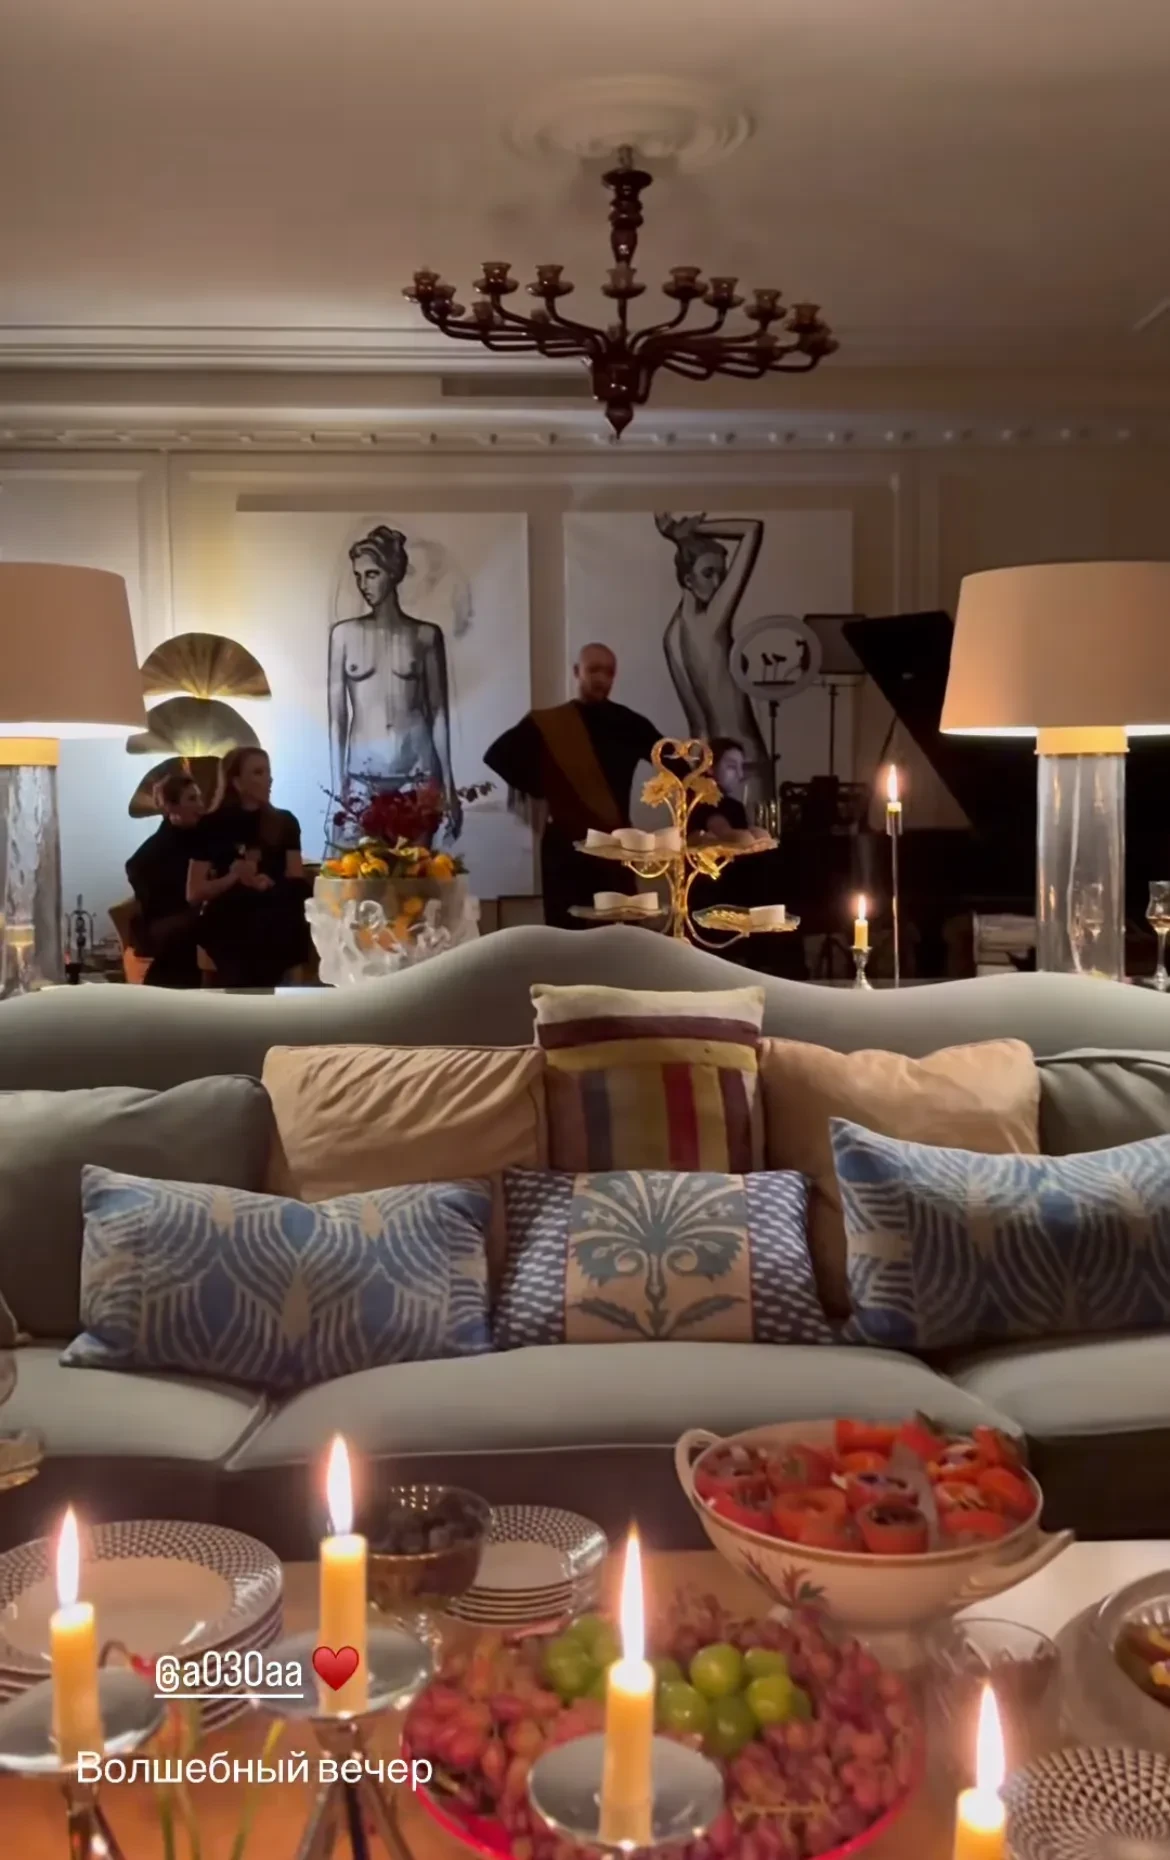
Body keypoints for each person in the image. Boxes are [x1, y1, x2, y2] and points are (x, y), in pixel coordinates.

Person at [484, 644, 666, 929]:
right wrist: (544, 789)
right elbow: (497, 756)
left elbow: (672, 760)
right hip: (564, 849)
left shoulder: (630, 723)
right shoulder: (547, 723)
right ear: (577, 672)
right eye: (594, 670)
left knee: (623, 935)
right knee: (566, 935)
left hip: (616, 845)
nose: (601, 678)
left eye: (609, 672)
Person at [327, 525, 461, 840]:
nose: (363, 585)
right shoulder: (343, 635)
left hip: (417, 770)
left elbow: (438, 713)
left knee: (420, 865)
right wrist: (337, 786)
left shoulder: (425, 635)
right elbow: (337, 719)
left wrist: (449, 784)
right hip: (363, 774)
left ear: (393, 573)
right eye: (358, 576)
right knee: (361, 866)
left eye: (372, 574)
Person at [655, 512, 770, 777]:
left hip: (704, 762)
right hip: (745, 760)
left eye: (722, 573)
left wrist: (682, 538)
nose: (718, 583)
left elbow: (698, 725)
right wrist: (687, 532)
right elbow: (752, 528)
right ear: (688, 580)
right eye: (708, 574)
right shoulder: (712, 620)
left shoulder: (671, 635)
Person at [187, 747, 312, 987]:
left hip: (276, 906)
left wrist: (265, 884)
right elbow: (194, 893)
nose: (269, 779)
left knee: (287, 911)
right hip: (231, 911)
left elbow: (295, 878)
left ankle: (274, 998)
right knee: (245, 927)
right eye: (258, 772)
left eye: (268, 772)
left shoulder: (285, 822)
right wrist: (234, 877)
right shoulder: (210, 826)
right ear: (237, 782)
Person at [125, 771, 206, 988]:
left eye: (199, 798)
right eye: (192, 799)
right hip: (169, 926)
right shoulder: (150, 855)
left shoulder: (205, 837)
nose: (201, 805)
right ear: (170, 807)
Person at [688, 738, 770, 844]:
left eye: (741, 767)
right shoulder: (700, 803)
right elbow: (723, 831)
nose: (740, 774)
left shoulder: (735, 806)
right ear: (710, 767)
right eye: (732, 766)